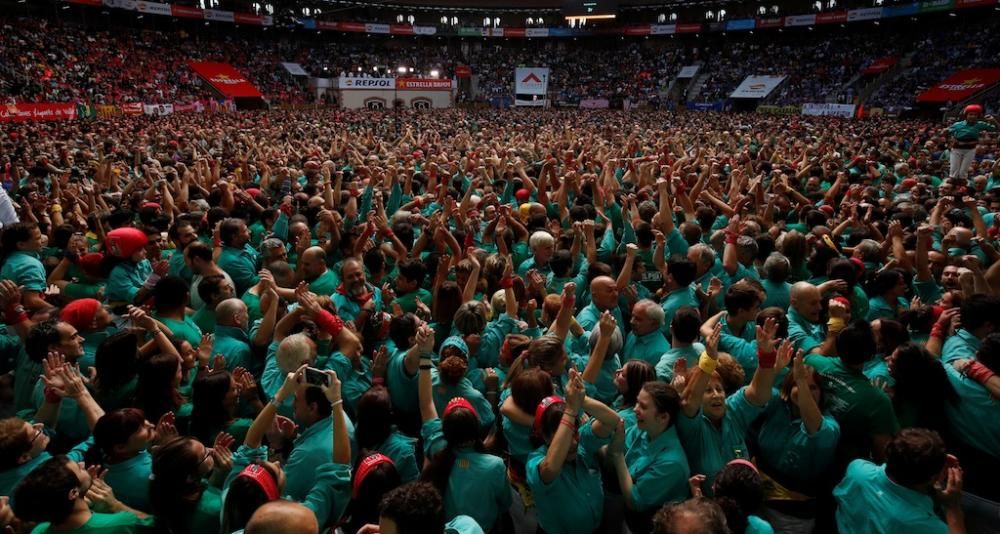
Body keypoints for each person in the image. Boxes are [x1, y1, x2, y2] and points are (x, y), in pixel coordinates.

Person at [418, 340, 511, 531]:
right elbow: (505, 504)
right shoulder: (495, 465)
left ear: (445, 429)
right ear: (476, 427)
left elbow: (426, 403)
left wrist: (425, 355)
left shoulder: (436, 447)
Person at [525, 369, 620, 534]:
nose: (574, 442)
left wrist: (581, 400)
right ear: (545, 437)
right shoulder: (535, 460)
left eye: (574, 432)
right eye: (565, 435)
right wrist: (570, 410)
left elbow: (612, 421)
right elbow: (550, 469)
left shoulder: (584, 443)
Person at [833, 429, 964, 533]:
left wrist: (934, 462)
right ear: (931, 478)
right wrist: (952, 506)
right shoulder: (915, 522)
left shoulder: (857, 470)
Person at [607, 381, 690, 533]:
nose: (635, 410)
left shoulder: (672, 463)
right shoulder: (643, 430)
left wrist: (618, 455)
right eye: (637, 403)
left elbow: (635, 502)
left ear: (663, 417)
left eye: (643, 407)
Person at [12, 455, 152, 533]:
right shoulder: (123, 523)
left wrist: (83, 501)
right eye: (78, 470)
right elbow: (163, 527)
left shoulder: (39, 531)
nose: (82, 464)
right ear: (73, 492)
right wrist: (116, 505)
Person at [945, 104, 998, 180]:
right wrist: (945, 132)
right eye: (970, 114)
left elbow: (996, 129)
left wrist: (993, 120)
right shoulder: (958, 125)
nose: (973, 116)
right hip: (957, 149)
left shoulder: (980, 124)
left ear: (978, 116)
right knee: (954, 172)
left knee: (963, 172)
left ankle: (962, 188)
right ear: (966, 115)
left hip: (970, 150)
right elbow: (947, 133)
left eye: (975, 115)